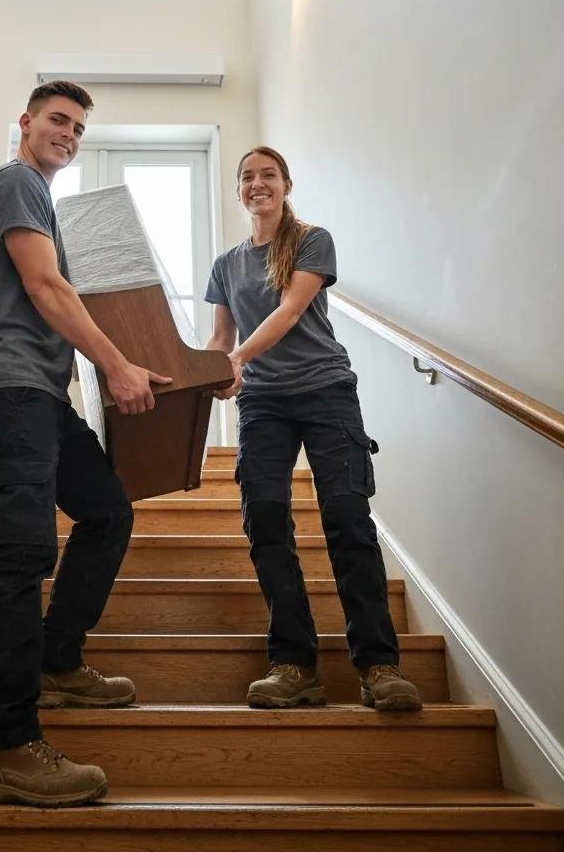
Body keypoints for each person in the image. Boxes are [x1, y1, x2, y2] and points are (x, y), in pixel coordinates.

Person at [0, 81, 172, 807]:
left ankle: (56, 660)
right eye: (58, 120)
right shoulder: (16, 182)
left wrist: (149, 365)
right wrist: (115, 367)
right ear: (25, 122)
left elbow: (74, 298)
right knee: (23, 554)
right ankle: (4, 746)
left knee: (107, 511)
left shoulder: (44, 201)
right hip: (9, 390)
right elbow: (46, 288)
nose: (69, 135)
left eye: (78, 128)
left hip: (42, 396)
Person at [205, 145, 422, 712]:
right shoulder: (225, 265)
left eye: (268, 175)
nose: (257, 184)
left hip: (326, 391)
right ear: (239, 190)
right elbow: (220, 341)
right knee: (265, 519)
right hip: (263, 404)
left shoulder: (311, 240)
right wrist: (200, 374)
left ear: (286, 184)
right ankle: (294, 665)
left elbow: (289, 311)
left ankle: (379, 665)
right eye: (247, 177)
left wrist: (237, 360)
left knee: (347, 517)